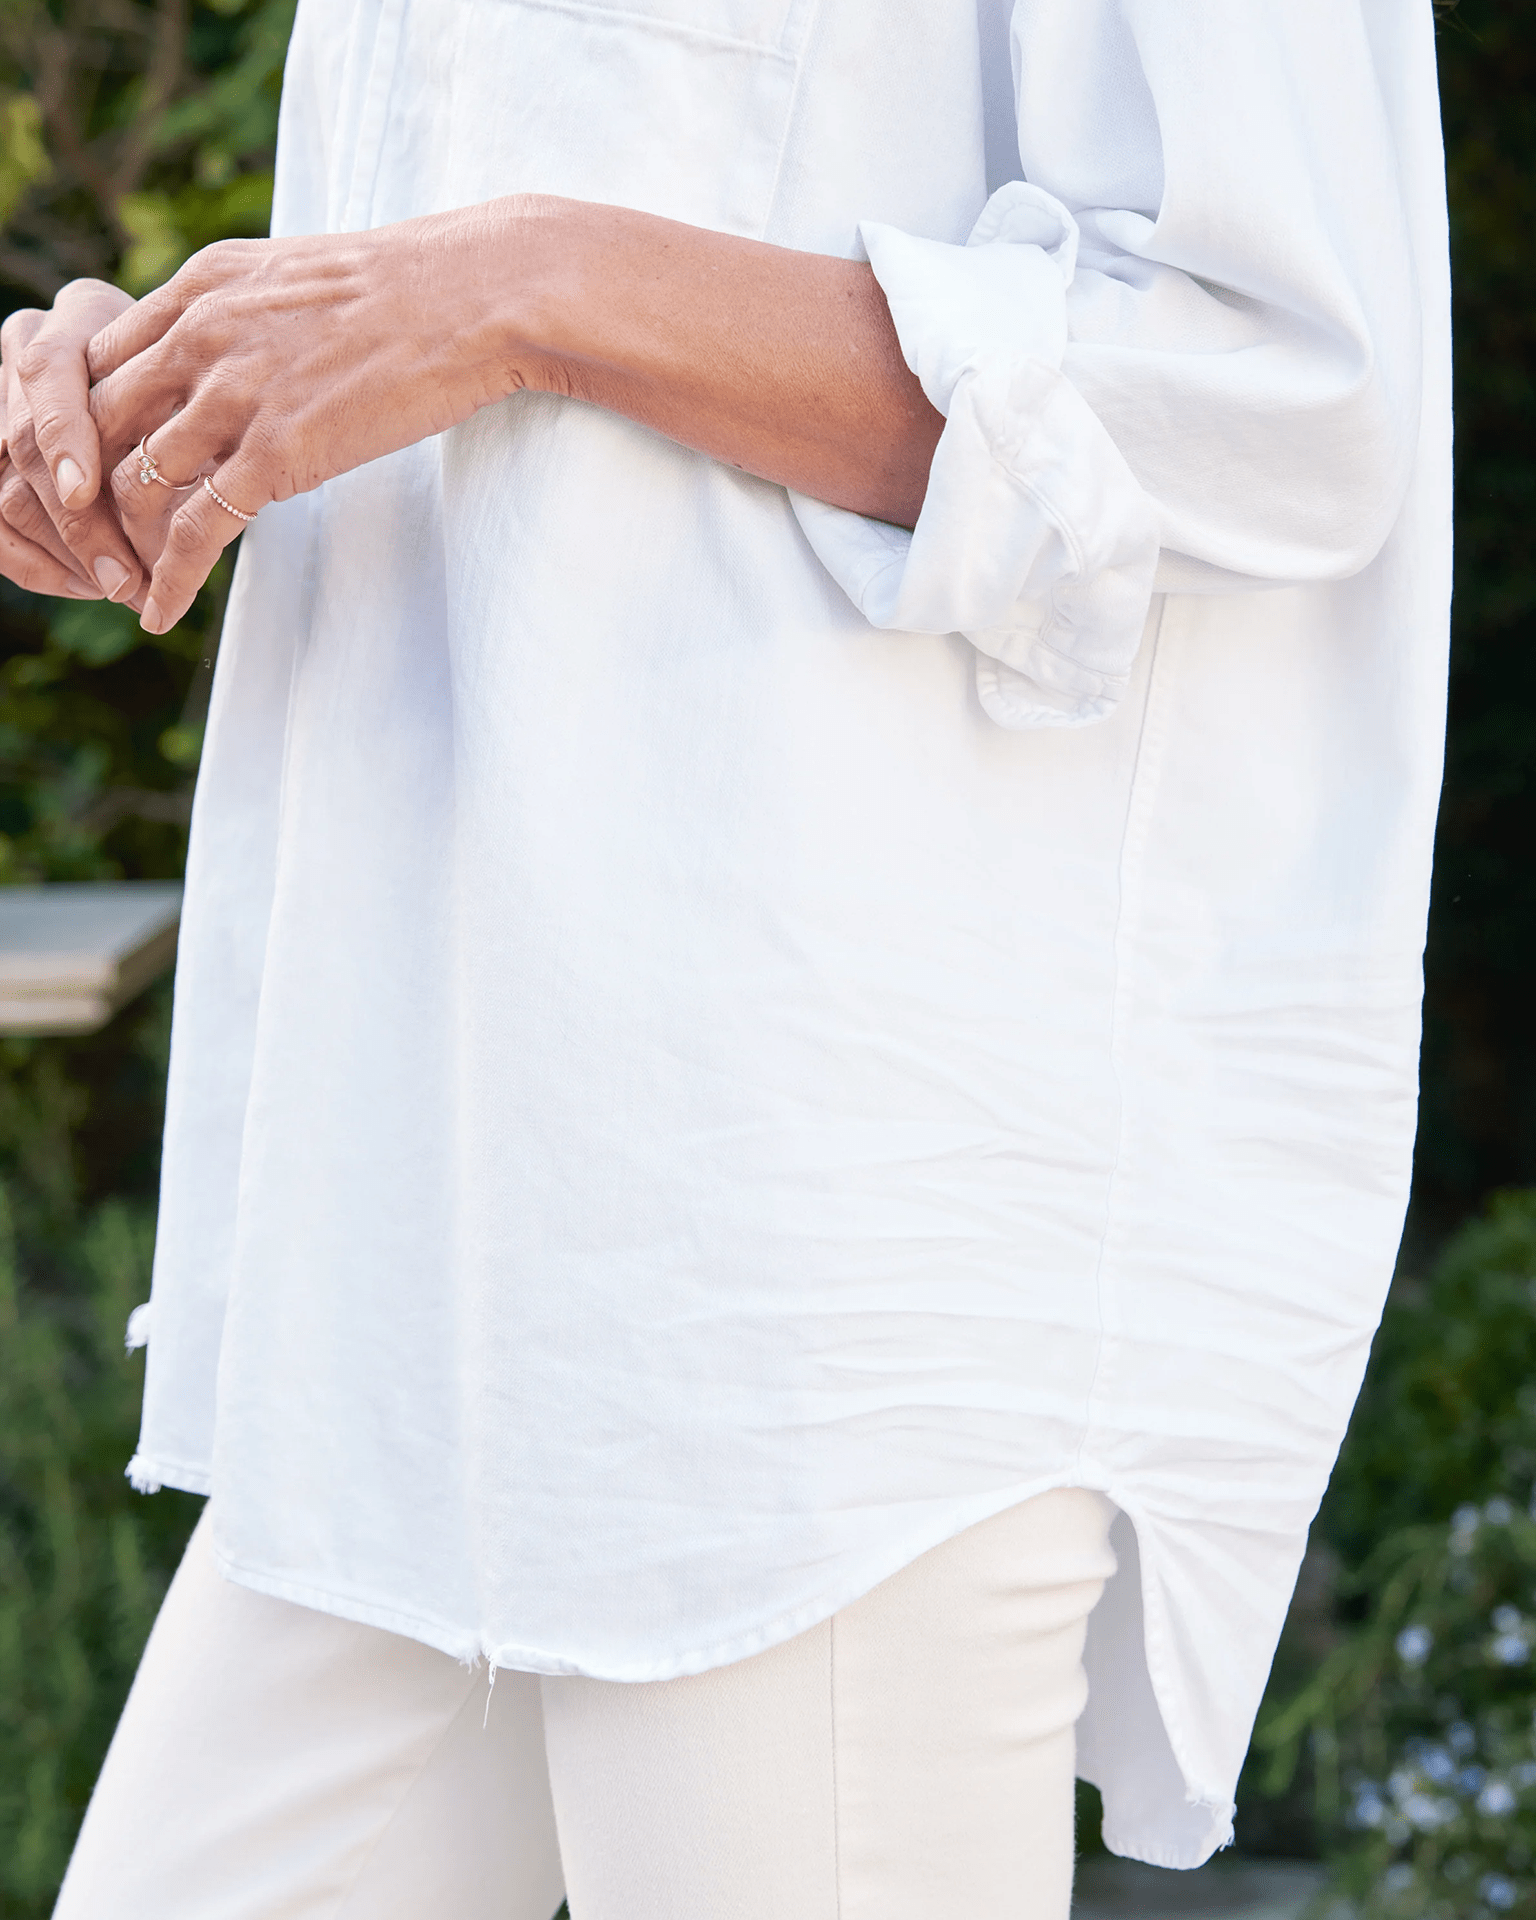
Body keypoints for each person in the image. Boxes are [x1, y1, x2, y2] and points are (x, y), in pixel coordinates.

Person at [0, 2, 1451, 1915]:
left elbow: (1288, 392)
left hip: (810, 1310)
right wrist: (183, 376)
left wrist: (529, 287)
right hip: (420, 1268)